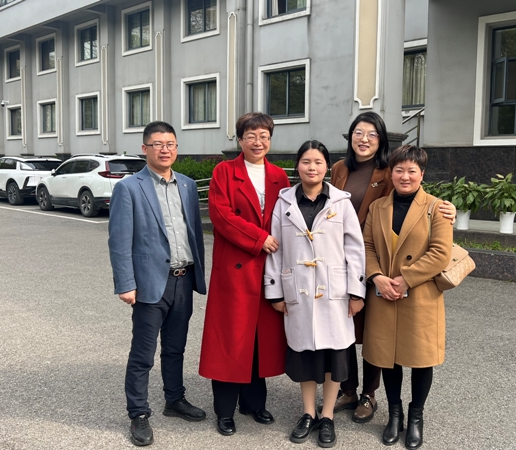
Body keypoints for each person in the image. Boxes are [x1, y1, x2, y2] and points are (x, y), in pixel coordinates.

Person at [329, 111, 455, 423]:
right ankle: (348, 388)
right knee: (344, 326)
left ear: (381, 140)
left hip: (382, 262)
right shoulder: (339, 169)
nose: (364, 139)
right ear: (350, 136)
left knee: (375, 332)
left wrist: (448, 209)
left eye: (372, 134)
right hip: (341, 259)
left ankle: (369, 394)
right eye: (358, 132)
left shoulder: (390, 170)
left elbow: (413, 204)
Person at [108, 121, 207, 447]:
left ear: (176, 148)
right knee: (143, 353)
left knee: (176, 348)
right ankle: (138, 412)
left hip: (183, 280)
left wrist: (198, 275)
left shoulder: (187, 185)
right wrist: (126, 283)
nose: (165, 150)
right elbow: (119, 241)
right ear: (145, 148)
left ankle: (174, 399)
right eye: (158, 144)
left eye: (170, 144)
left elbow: (194, 233)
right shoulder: (129, 188)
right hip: (151, 283)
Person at [265, 140, 366, 448]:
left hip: (334, 291)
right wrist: (275, 291)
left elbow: (355, 249)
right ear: (297, 165)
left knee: (335, 355)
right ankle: (308, 412)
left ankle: (328, 415)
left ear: (327, 167)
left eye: (318, 162)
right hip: (298, 289)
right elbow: (275, 250)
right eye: (306, 161)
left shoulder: (341, 202)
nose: (312, 167)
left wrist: (356, 291)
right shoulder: (284, 202)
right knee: (305, 354)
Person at [199, 112, 290, 436]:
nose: (258, 141)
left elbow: (287, 217)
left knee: (259, 339)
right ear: (240, 139)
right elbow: (221, 216)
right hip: (236, 268)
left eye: (264, 135)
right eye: (251, 135)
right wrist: (259, 238)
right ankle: (224, 411)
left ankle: (253, 403)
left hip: (268, 267)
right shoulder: (224, 171)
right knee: (230, 339)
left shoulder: (279, 175)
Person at [362, 145, 453, 449]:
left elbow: (441, 253)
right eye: (399, 170)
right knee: (388, 358)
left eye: (412, 170)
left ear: (421, 174)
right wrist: (377, 276)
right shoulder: (378, 208)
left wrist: (405, 279)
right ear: (391, 173)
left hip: (420, 295)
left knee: (420, 359)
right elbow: (367, 247)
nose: (405, 176)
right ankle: (394, 414)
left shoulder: (436, 208)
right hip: (384, 293)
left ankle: (416, 416)